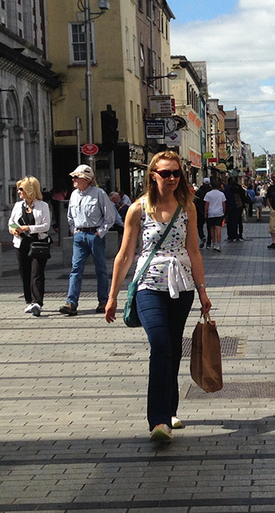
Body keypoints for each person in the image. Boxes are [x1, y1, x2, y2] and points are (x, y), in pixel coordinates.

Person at [106, 151, 212, 443]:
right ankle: (158, 421)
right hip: (148, 285)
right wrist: (112, 295)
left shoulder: (187, 207)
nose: (172, 178)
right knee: (161, 346)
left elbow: (194, 251)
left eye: (176, 173)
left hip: (181, 286)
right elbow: (125, 254)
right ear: (152, 175)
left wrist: (203, 290)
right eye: (166, 173)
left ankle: (171, 409)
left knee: (174, 349)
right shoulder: (138, 208)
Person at [63, 164, 117, 316]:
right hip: (79, 235)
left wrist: (100, 232)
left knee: (100, 269)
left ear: (86, 179)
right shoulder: (74, 195)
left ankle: (103, 301)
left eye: (76, 177)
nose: (73, 179)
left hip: (94, 235)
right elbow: (70, 216)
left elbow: (110, 217)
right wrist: (74, 229)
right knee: (76, 269)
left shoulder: (99, 193)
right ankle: (71, 303)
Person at [9, 176, 51, 317]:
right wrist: (14, 229)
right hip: (21, 243)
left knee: (37, 272)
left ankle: (37, 302)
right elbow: (11, 222)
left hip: (38, 243)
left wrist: (28, 228)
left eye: (21, 189)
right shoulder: (17, 205)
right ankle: (29, 301)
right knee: (24, 272)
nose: (19, 192)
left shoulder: (43, 206)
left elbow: (46, 226)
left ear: (30, 190)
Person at [203, 180, 226, 252]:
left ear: (211, 186)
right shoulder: (221, 194)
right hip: (219, 213)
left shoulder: (208, 194)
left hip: (211, 213)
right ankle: (219, 245)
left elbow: (206, 204)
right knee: (218, 228)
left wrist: (205, 213)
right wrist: (223, 211)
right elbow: (224, 204)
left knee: (212, 229)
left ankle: (214, 243)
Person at [194, 178, 211, 247]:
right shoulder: (211, 191)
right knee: (210, 227)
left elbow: (195, 201)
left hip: (200, 211)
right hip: (210, 211)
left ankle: (202, 236)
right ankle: (209, 242)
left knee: (200, 225)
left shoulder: (199, 192)